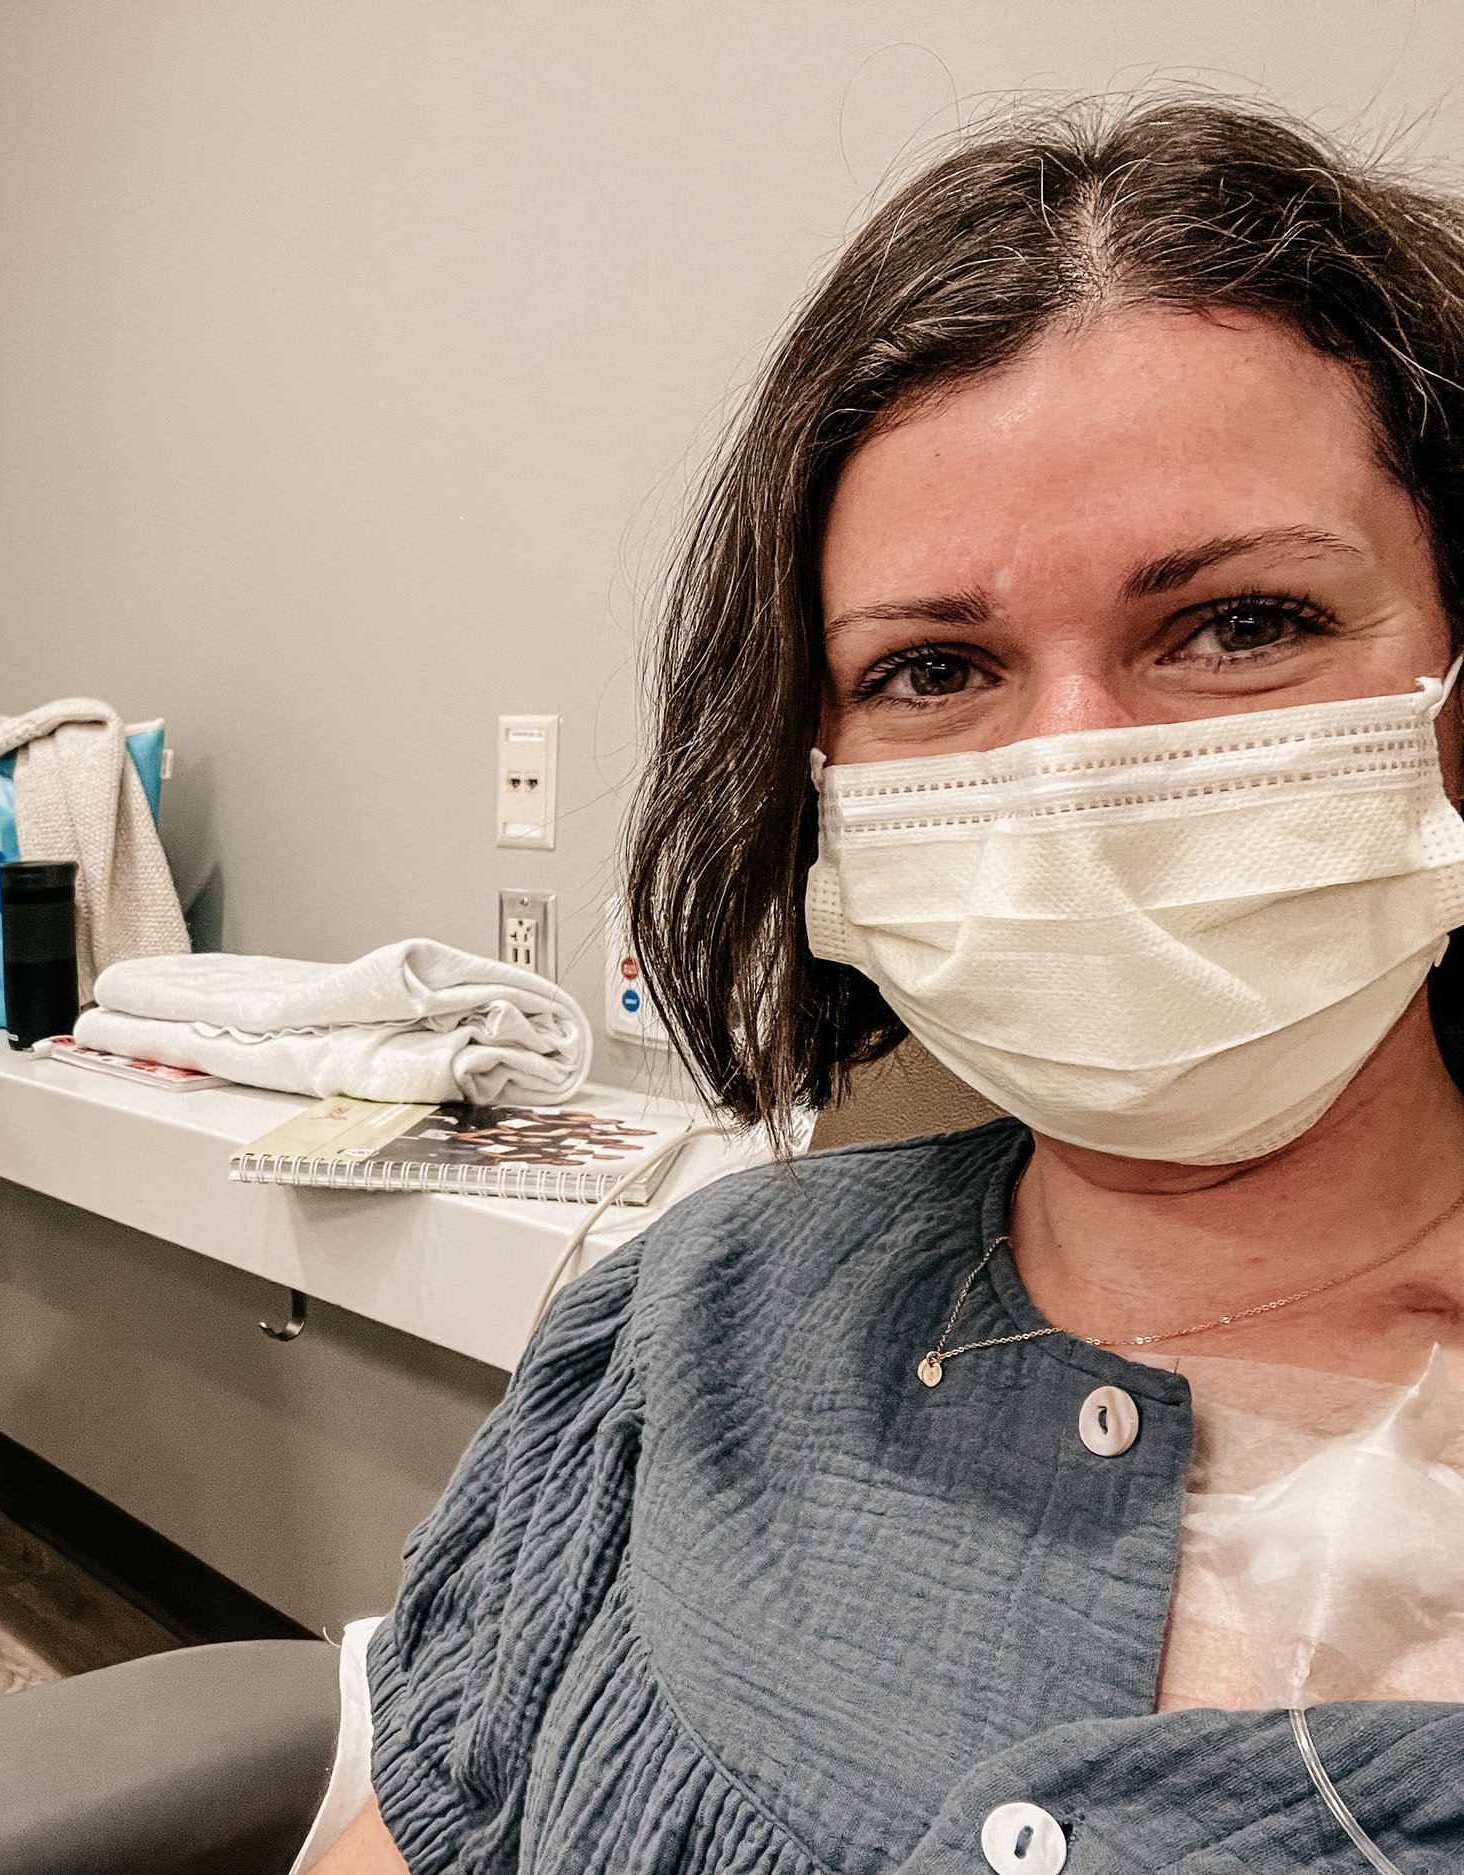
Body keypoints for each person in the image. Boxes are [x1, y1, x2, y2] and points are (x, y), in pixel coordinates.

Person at [315, 99, 1464, 1873]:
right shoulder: (691, 1307)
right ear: (818, 768)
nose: (1073, 774)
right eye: (935, 666)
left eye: (1242, 623)